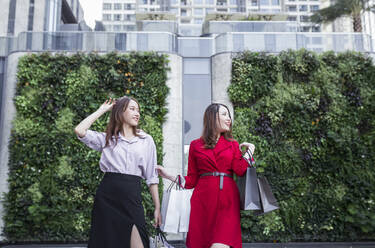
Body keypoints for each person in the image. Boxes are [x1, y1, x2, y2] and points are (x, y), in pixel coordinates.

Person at [157, 103, 255, 248]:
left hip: (227, 201)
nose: (229, 118)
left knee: (221, 244)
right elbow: (191, 181)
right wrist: (169, 176)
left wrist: (250, 151)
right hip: (202, 201)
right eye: (224, 114)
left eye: (229, 115)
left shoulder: (232, 144)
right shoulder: (195, 145)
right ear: (212, 117)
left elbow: (240, 170)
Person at [74, 96, 161, 248]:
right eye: (132, 109)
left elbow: (152, 177)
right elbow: (80, 130)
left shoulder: (146, 140)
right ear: (120, 113)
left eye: (138, 110)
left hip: (132, 197)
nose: (137, 113)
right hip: (107, 197)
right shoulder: (107, 139)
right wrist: (102, 110)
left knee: (139, 243)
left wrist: (157, 208)